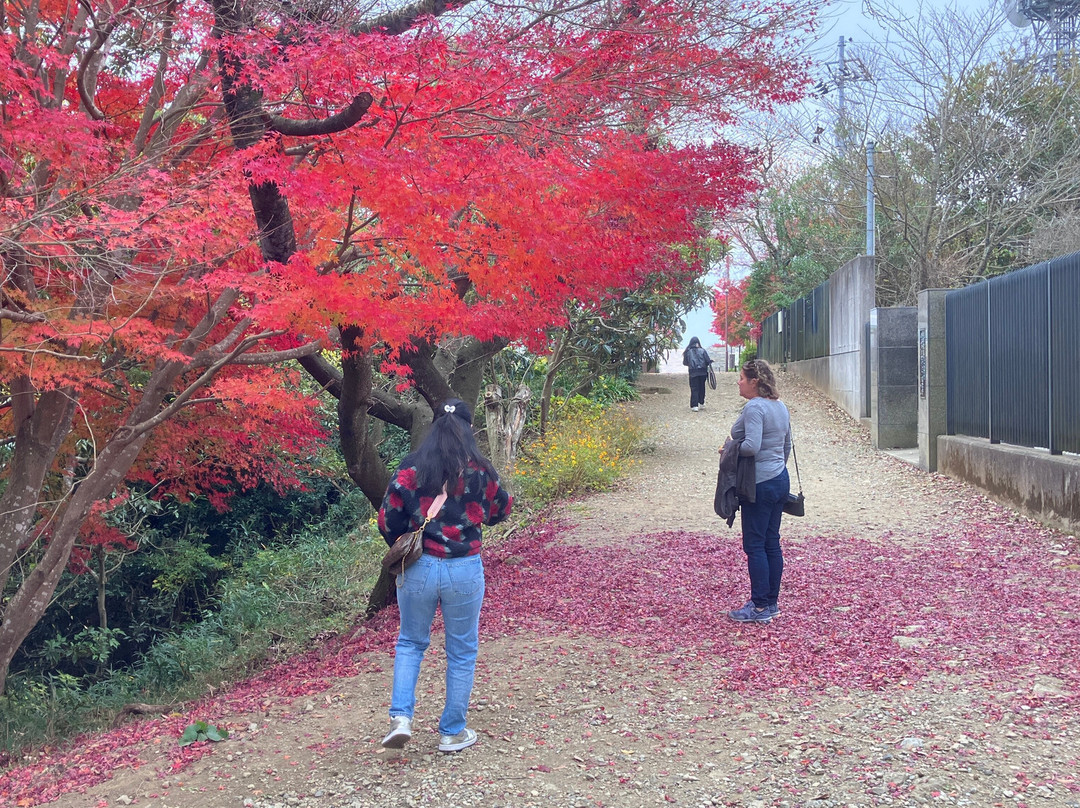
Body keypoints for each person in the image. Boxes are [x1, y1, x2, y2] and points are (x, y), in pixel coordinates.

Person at [377, 398, 512, 753]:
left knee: (410, 642)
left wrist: (410, 540)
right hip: (464, 568)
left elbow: (387, 520)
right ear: (468, 429)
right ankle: (452, 732)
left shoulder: (411, 468)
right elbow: (502, 508)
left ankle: (401, 719)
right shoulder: (481, 470)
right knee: (462, 650)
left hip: (419, 569)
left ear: (434, 426)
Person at [726, 359, 791, 623]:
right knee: (771, 541)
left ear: (754, 382)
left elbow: (751, 446)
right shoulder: (781, 406)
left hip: (759, 482)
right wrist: (776, 467)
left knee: (754, 544)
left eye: (742, 377)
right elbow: (787, 445)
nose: (738, 382)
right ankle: (771, 602)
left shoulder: (754, 407)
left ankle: (760, 606)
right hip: (779, 478)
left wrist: (729, 449)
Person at [682, 336, 713, 411]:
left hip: (693, 372)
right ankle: (701, 402)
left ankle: (694, 405)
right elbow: (707, 361)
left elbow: (685, 363)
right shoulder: (702, 350)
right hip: (703, 372)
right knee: (702, 387)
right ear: (698, 343)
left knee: (694, 388)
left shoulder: (688, 352)